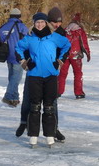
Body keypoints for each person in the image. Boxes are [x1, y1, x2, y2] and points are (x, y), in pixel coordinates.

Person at [15, 12, 71, 147]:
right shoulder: (29, 38)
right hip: (34, 75)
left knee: (49, 106)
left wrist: (60, 60)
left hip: (50, 75)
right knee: (34, 106)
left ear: (46, 23)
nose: (39, 25)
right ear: (33, 24)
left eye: (42, 22)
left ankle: (50, 134)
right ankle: (33, 134)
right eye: (37, 22)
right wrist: (25, 62)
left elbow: (67, 45)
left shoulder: (54, 37)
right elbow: (18, 48)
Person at [0, 8, 29, 107]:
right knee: (16, 78)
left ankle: (15, 98)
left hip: (7, 55)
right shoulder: (21, 27)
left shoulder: (3, 26)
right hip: (18, 56)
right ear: (19, 16)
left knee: (12, 77)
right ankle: (8, 96)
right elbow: (28, 40)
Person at [58, 13, 91, 99]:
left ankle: (58, 91)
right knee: (78, 74)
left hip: (65, 55)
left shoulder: (66, 30)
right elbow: (84, 44)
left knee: (62, 74)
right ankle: (78, 92)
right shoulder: (80, 30)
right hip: (76, 55)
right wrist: (88, 53)